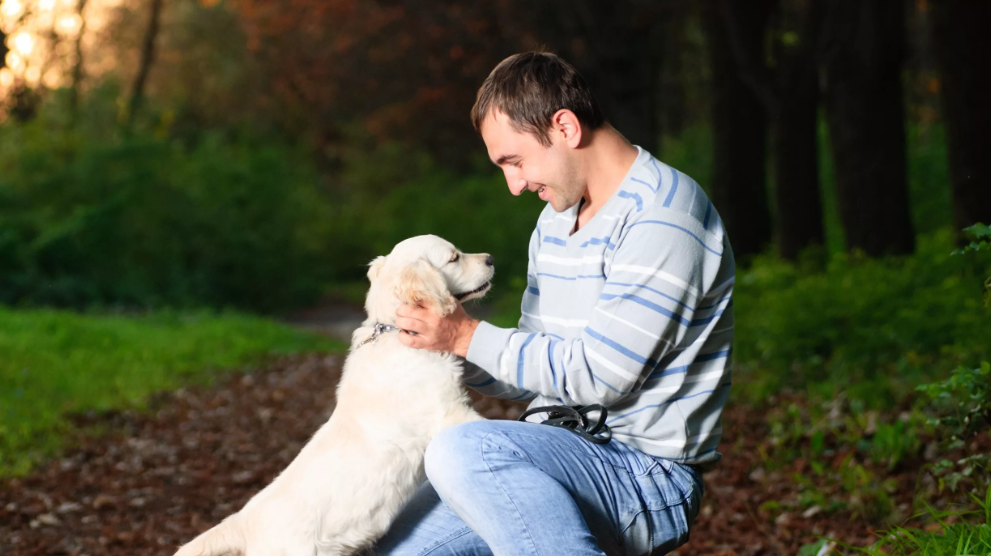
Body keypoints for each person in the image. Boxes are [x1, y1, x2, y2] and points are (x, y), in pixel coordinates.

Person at [376, 51, 734, 556]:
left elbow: (600, 377)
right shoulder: (556, 221)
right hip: (554, 449)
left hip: (643, 474)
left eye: (515, 162)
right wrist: (441, 342)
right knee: (387, 546)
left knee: (461, 450)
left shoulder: (664, 215)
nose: (515, 185)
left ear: (564, 126)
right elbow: (533, 366)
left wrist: (465, 335)